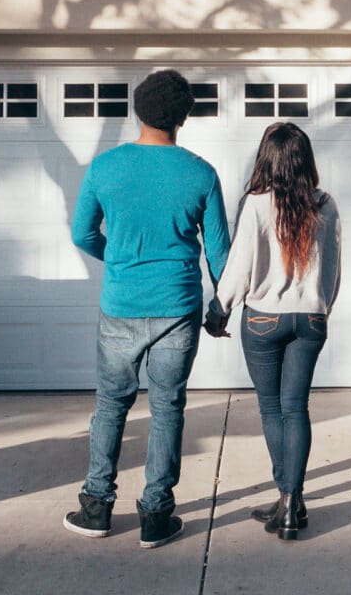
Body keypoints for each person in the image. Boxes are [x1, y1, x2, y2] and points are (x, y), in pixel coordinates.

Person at [65, 69, 231, 549]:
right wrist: (222, 307)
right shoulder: (200, 173)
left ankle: (96, 507)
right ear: (184, 116)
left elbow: (81, 234)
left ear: (137, 111)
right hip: (177, 307)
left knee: (111, 405)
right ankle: (157, 515)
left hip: (121, 305)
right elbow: (219, 254)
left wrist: (116, 258)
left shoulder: (105, 167)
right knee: (167, 407)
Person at [204, 121, 341, 541]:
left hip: (264, 319)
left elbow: (240, 265)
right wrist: (321, 309)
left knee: (271, 409)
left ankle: (286, 499)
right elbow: (333, 269)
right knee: (295, 408)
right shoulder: (326, 203)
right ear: (305, 159)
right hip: (310, 320)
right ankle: (290, 501)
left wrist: (218, 308)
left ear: (267, 158)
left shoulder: (259, 203)